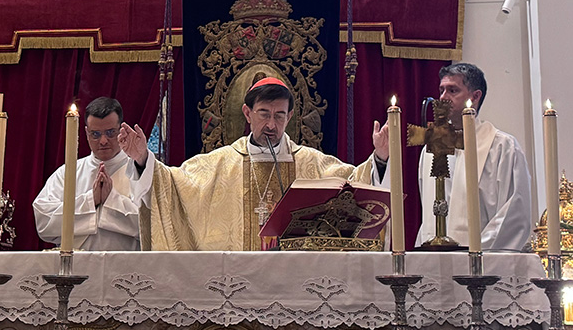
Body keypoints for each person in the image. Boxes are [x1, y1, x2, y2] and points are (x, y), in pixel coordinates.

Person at [119, 77, 390, 251]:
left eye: (279, 116)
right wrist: (143, 158)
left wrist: (380, 158)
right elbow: (172, 186)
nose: (271, 125)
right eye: (264, 114)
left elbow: (355, 184)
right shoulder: (220, 164)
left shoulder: (311, 163)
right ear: (247, 113)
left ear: (290, 116)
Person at [414, 63, 532, 250]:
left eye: (453, 90)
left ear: (475, 96)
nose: (443, 98)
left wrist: (472, 252)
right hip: (434, 261)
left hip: (482, 264)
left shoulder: (501, 147)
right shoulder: (431, 147)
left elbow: (513, 213)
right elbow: (429, 212)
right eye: (441, 90)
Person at [33, 97, 155, 251]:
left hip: (126, 268)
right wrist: (92, 200)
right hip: (76, 268)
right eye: (95, 134)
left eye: (110, 132)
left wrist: (111, 200)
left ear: (121, 130)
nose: (103, 141)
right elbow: (44, 223)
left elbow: (153, 224)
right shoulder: (67, 173)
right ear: (86, 132)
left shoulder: (140, 169)